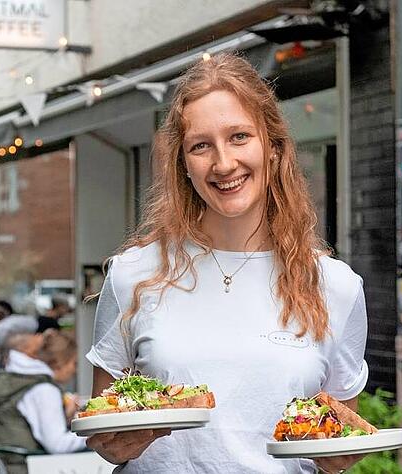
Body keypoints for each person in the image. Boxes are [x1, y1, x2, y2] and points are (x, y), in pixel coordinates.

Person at [85, 53, 369, 474]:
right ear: (183, 164)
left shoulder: (335, 286)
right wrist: (115, 445)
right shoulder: (134, 275)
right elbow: (103, 430)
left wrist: (340, 457)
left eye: (239, 136)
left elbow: (335, 440)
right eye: (201, 146)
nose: (223, 163)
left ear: (272, 148)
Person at [0, 329, 86, 473]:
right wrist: (94, 433)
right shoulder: (44, 390)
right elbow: (58, 445)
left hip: (5, 465)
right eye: (74, 363)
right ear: (59, 363)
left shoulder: (17, 379)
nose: (74, 370)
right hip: (25, 467)